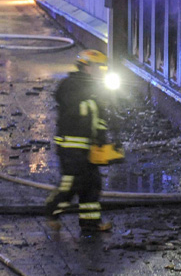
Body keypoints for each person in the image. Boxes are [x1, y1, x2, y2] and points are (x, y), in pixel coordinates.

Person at [45, 50, 113, 233]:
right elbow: (75, 109)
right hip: (71, 145)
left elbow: (100, 118)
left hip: (88, 147)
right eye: (99, 68)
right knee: (72, 183)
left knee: (92, 184)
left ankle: (90, 223)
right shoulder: (71, 85)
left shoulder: (95, 89)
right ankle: (52, 209)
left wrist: (101, 138)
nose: (102, 72)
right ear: (87, 67)